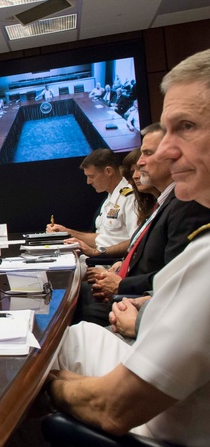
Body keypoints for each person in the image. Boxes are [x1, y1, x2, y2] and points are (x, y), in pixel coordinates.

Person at [45, 48, 210, 447]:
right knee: (66, 339)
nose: (161, 152)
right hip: (172, 432)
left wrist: (46, 386)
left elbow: (112, 410)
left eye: (187, 128)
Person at [76, 125, 210, 324]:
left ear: (174, 156)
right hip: (128, 287)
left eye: (147, 153)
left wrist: (121, 284)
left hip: (140, 300)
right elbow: (139, 251)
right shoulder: (163, 202)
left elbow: (176, 278)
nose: (140, 162)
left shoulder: (186, 205)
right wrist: (120, 267)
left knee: (74, 307)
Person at [47, 148, 138, 256]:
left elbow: (136, 241)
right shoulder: (109, 199)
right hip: (101, 259)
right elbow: (101, 239)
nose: (88, 182)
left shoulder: (130, 197)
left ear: (108, 171)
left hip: (114, 262)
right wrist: (66, 232)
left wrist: (97, 252)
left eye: (91, 176)